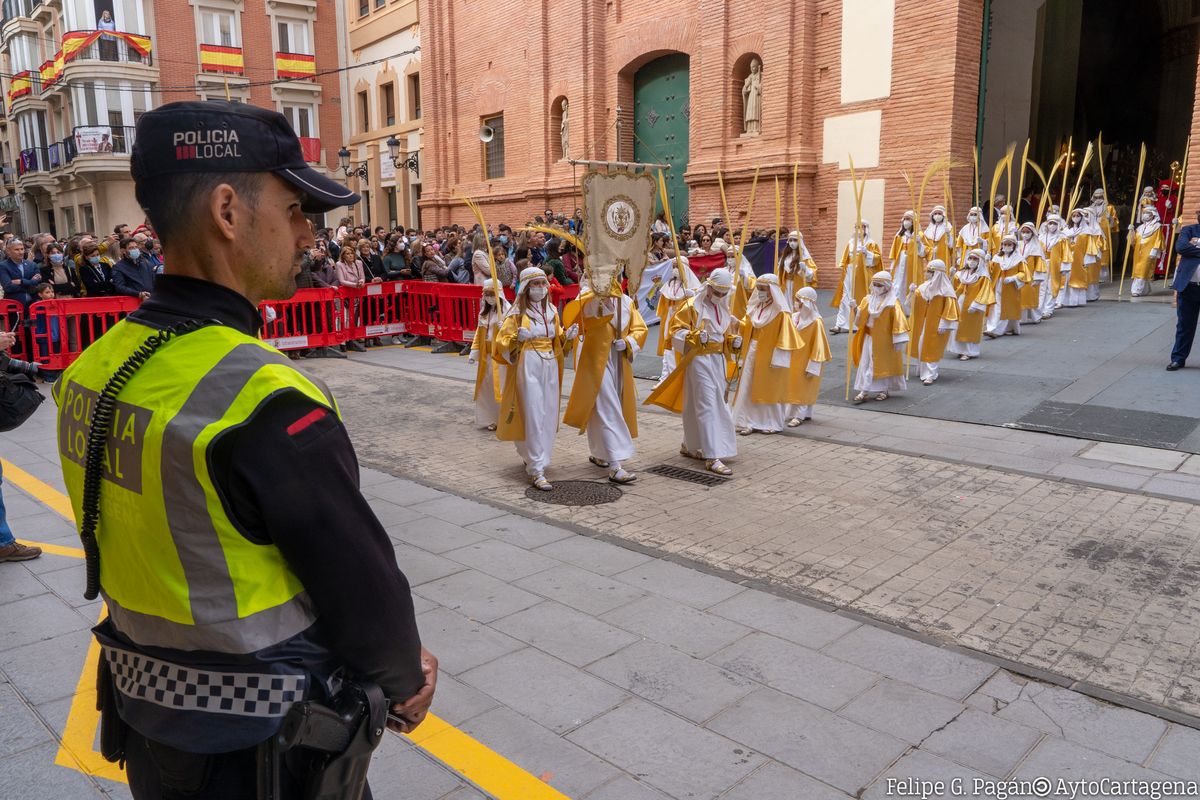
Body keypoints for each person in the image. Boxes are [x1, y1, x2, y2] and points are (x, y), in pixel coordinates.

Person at [52, 100, 435, 799]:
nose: (306, 232)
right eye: (292, 209)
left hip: (148, 725)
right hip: (268, 747)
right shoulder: (262, 396)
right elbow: (361, 583)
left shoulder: (92, 368)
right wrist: (404, 676)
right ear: (227, 211)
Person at [645, 268, 741, 476]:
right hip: (697, 359)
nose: (721, 297)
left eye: (724, 293)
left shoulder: (723, 307)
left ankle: (691, 444)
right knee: (707, 403)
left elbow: (722, 336)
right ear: (709, 287)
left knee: (706, 403)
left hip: (717, 361)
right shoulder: (691, 306)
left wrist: (733, 341)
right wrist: (693, 336)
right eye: (717, 292)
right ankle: (712, 455)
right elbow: (674, 332)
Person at [495, 267, 579, 489]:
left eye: (543, 284)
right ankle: (535, 468)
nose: (541, 288)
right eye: (536, 284)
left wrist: (567, 338)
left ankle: (538, 455)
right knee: (532, 412)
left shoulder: (551, 310)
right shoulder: (515, 314)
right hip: (528, 364)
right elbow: (501, 343)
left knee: (548, 412)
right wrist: (516, 339)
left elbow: (558, 341)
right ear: (525, 287)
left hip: (550, 363)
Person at [562, 284, 647, 484]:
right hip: (594, 364)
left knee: (603, 409)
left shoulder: (625, 302)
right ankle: (615, 465)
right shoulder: (587, 299)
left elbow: (640, 329)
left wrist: (628, 342)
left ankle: (600, 451)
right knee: (608, 408)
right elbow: (575, 324)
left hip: (619, 362)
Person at [730, 274, 803, 435]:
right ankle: (747, 421)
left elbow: (787, 338)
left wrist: (779, 358)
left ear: (772, 291)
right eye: (758, 288)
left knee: (769, 388)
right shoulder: (755, 306)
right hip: (752, 351)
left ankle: (771, 423)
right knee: (748, 385)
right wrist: (737, 323)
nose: (760, 292)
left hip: (771, 355)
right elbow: (749, 327)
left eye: (763, 289)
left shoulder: (781, 313)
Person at [850, 271, 909, 403]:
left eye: (879, 285)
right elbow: (860, 320)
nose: (876, 287)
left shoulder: (893, 303)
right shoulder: (867, 300)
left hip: (885, 340)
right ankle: (866, 390)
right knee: (867, 363)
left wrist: (898, 339)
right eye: (875, 284)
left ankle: (874, 390)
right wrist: (854, 308)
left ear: (887, 286)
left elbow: (899, 322)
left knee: (879, 364)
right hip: (869, 338)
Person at [907, 259, 958, 385]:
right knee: (921, 344)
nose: (926, 274)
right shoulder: (923, 287)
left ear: (936, 274)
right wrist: (912, 292)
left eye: (930, 271)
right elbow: (912, 305)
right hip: (923, 322)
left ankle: (930, 374)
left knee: (932, 347)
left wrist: (944, 324)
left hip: (936, 324)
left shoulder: (946, 290)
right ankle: (922, 370)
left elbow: (950, 309)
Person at [784, 286, 830, 426]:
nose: (795, 303)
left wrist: (814, 364)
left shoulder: (816, 322)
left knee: (804, 387)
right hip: (793, 358)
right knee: (793, 386)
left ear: (806, 302)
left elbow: (819, 346)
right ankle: (795, 412)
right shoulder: (794, 317)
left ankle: (800, 415)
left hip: (807, 359)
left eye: (798, 300)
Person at [467, 278, 510, 429]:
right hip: (486, 356)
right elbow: (480, 333)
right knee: (486, 387)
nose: (489, 297)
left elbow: (513, 333)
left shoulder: (507, 311)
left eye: (492, 294)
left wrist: (505, 326)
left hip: (500, 356)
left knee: (501, 386)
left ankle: (503, 419)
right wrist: (474, 351)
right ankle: (490, 418)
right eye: (486, 294)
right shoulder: (484, 313)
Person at [652, 258, 699, 384]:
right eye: (673, 266)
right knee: (668, 348)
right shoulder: (669, 284)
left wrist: (692, 295)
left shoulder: (692, 285)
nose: (674, 270)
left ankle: (677, 379)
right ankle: (665, 378)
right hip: (669, 319)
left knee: (678, 348)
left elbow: (697, 305)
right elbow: (664, 303)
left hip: (683, 322)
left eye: (677, 266)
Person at [830, 220, 878, 334]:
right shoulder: (851, 242)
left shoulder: (871, 243)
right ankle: (840, 324)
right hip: (850, 271)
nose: (859, 230)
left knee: (861, 297)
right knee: (846, 296)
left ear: (866, 229)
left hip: (863, 272)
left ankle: (861, 323)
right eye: (856, 227)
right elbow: (845, 259)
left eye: (861, 227)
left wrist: (867, 253)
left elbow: (877, 259)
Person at [948, 249, 995, 362]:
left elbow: (984, 292)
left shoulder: (983, 276)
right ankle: (959, 350)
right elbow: (952, 288)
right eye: (970, 258)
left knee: (970, 328)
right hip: (960, 302)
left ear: (980, 262)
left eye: (975, 259)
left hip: (973, 306)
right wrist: (951, 275)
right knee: (958, 326)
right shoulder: (961, 274)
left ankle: (969, 352)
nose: (972, 261)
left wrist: (976, 305)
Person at [1167, 209, 1200, 371]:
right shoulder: (1189, 230)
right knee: (1184, 325)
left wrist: (1195, 245)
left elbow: (1189, 249)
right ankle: (1178, 359)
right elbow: (1181, 247)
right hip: (1189, 287)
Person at [987, 234, 1026, 337]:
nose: (1007, 246)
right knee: (997, 307)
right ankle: (992, 328)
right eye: (1005, 244)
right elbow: (990, 271)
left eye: (1009, 244)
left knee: (1007, 308)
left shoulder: (1019, 259)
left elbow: (1024, 273)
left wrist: (1014, 278)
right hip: (998, 285)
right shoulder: (997, 257)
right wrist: (987, 262)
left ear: (1013, 246)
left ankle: (999, 330)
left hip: (1011, 287)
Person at [1058, 208, 1095, 309]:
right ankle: (1062, 300)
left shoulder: (1087, 232)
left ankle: (1075, 301)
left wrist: (1087, 260)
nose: (1075, 218)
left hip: (1079, 258)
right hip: (1067, 258)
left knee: (1076, 278)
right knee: (1065, 278)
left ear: (1082, 217)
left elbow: (1090, 247)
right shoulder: (1065, 231)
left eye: (1078, 216)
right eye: (1073, 216)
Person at [1130, 206, 1164, 298]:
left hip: (1149, 251)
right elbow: (1134, 240)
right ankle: (1145, 290)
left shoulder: (1157, 226)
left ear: (1152, 215)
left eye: (1147, 213)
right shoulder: (1140, 227)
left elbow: (1159, 239)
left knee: (1143, 269)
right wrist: (1131, 231)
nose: (1145, 215)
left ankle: (1136, 290)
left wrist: (1154, 250)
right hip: (1138, 252)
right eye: (1144, 212)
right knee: (1138, 269)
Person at [1016, 222, 1046, 324]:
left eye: (1027, 232)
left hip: (1031, 275)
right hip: (1019, 274)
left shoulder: (1036, 246)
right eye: (1023, 232)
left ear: (1032, 233)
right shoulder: (1017, 244)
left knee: (1031, 295)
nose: (1025, 234)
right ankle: (1021, 318)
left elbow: (1039, 263)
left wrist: (1038, 277)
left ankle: (1036, 316)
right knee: (1020, 296)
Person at [1040, 214, 1070, 316]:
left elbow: (1066, 254)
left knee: (1051, 287)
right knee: (1041, 287)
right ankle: (1040, 308)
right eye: (1050, 223)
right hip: (1042, 265)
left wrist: (1064, 267)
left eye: (1054, 223)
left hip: (1055, 265)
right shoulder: (1041, 237)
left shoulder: (1062, 239)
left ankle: (1048, 310)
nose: (1052, 225)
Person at [888, 211, 918, 312]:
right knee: (898, 283)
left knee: (907, 284)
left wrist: (917, 242)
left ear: (914, 222)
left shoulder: (918, 235)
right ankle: (897, 307)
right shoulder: (899, 236)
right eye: (905, 219)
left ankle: (908, 309)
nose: (906, 221)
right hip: (900, 262)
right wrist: (892, 265)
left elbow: (924, 253)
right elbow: (894, 252)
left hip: (911, 264)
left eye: (908, 219)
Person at [778, 229, 817, 305]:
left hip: (798, 284)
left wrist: (805, 269)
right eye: (790, 240)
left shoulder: (805, 257)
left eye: (795, 240)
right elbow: (779, 272)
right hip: (786, 284)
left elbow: (812, 275)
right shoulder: (785, 256)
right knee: (786, 304)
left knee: (796, 304)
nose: (792, 243)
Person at [0, 238, 43, 306]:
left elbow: (38, 283)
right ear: (8, 251)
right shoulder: (3, 266)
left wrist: (21, 282)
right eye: (17, 249)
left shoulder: (32, 264)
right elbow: (8, 287)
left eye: (22, 249)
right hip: (14, 305)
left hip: (34, 303)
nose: (21, 252)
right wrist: (30, 283)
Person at [919, 205, 954, 270]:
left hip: (943, 255)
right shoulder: (929, 228)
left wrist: (948, 235)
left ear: (943, 215)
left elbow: (951, 245)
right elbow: (925, 243)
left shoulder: (948, 227)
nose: (937, 215)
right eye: (935, 213)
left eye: (939, 213)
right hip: (931, 255)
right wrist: (931, 250)